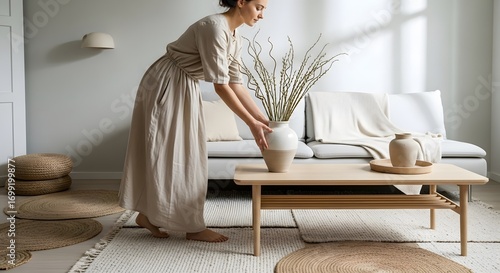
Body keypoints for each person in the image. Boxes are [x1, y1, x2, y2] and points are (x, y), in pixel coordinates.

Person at [119, 0, 271, 243]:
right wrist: (251, 124)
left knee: (184, 153)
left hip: (184, 83)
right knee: (173, 153)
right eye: (259, 7)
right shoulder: (214, 27)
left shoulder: (235, 36)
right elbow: (220, 86)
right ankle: (191, 227)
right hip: (167, 82)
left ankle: (149, 215)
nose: (262, 15)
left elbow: (235, 83)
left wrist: (263, 119)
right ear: (241, 2)